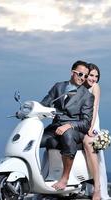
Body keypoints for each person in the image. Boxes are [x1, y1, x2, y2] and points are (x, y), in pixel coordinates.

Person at [40, 60, 94, 191]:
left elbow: (86, 123)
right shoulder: (58, 87)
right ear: (72, 72)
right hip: (54, 128)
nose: (83, 78)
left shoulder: (87, 96)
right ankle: (35, 175)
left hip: (75, 130)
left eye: (86, 76)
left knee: (67, 134)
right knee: (33, 138)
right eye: (80, 74)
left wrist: (68, 125)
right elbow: (44, 104)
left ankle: (65, 178)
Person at [83, 63, 111, 200]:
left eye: (96, 76)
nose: (94, 79)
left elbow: (95, 108)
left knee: (92, 149)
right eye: (91, 75)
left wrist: (91, 128)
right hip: (81, 121)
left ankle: (97, 188)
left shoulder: (95, 87)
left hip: (92, 122)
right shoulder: (79, 87)